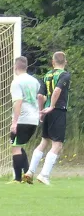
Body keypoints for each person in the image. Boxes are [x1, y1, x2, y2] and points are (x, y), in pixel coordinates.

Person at [24, 52, 71, 185]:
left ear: (52, 62)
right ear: (65, 62)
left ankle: (30, 172)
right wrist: (52, 106)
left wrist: (41, 111)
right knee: (57, 144)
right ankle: (44, 175)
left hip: (46, 111)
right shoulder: (64, 75)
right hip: (57, 110)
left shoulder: (47, 75)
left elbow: (40, 96)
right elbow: (57, 91)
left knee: (44, 142)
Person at [7, 57, 40, 184]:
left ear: (15, 67)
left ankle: (17, 178)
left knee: (15, 148)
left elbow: (18, 102)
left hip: (22, 118)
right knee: (20, 146)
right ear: (26, 67)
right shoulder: (35, 81)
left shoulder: (17, 82)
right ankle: (27, 175)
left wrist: (14, 122)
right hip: (33, 119)